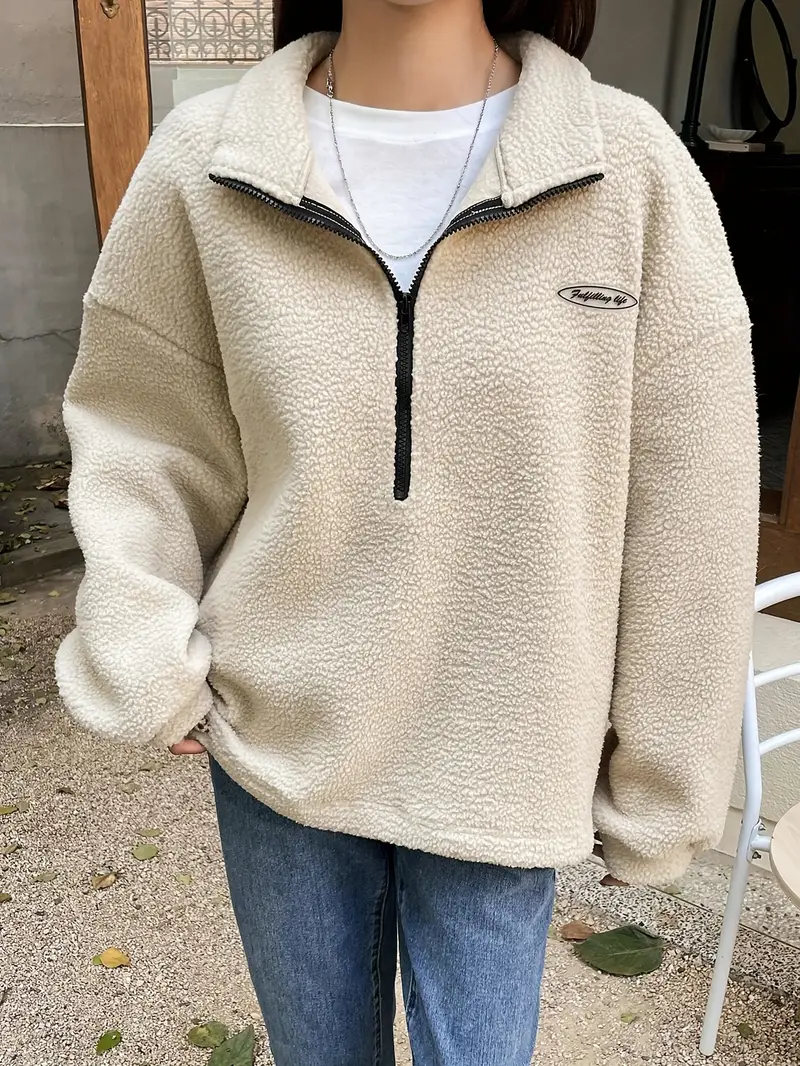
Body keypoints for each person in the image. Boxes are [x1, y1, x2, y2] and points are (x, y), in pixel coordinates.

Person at [55, 0, 760, 1062]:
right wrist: (145, 649)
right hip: (279, 741)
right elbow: (141, 431)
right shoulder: (205, 162)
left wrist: (663, 782)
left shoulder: (628, 168)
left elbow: (690, 509)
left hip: (509, 754)